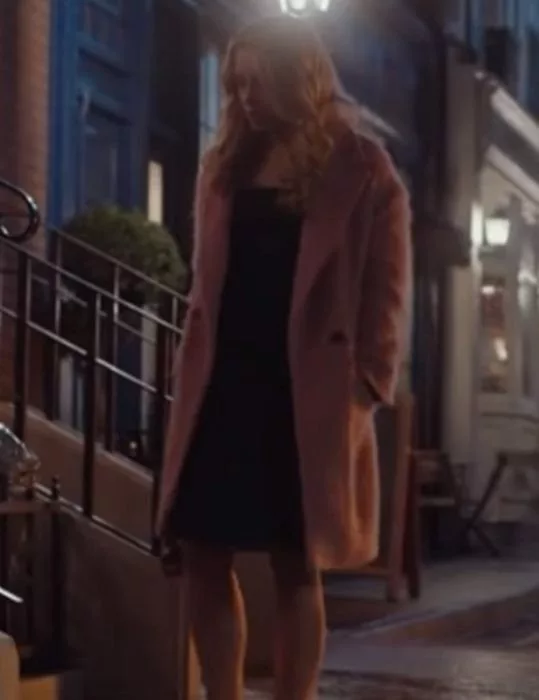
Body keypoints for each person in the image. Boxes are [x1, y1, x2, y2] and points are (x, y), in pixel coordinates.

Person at [155, 15, 411, 700]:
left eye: (257, 81)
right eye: (236, 84)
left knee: (296, 561)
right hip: (223, 382)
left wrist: (367, 382)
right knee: (202, 550)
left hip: (307, 388)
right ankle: (223, 695)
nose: (244, 98)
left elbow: (386, 291)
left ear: (297, 77)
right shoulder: (223, 166)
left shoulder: (361, 166)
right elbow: (205, 285)